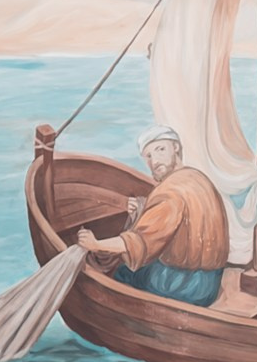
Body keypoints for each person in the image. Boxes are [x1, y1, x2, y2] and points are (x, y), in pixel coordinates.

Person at [77, 126, 231, 307]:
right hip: (212, 281)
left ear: (176, 147)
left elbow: (139, 241)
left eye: (160, 150)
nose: (154, 161)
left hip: (186, 286)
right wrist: (143, 208)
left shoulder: (170, 192)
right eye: (148, 156)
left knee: (123, 274)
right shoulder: (197, 178)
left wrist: (96, 244)